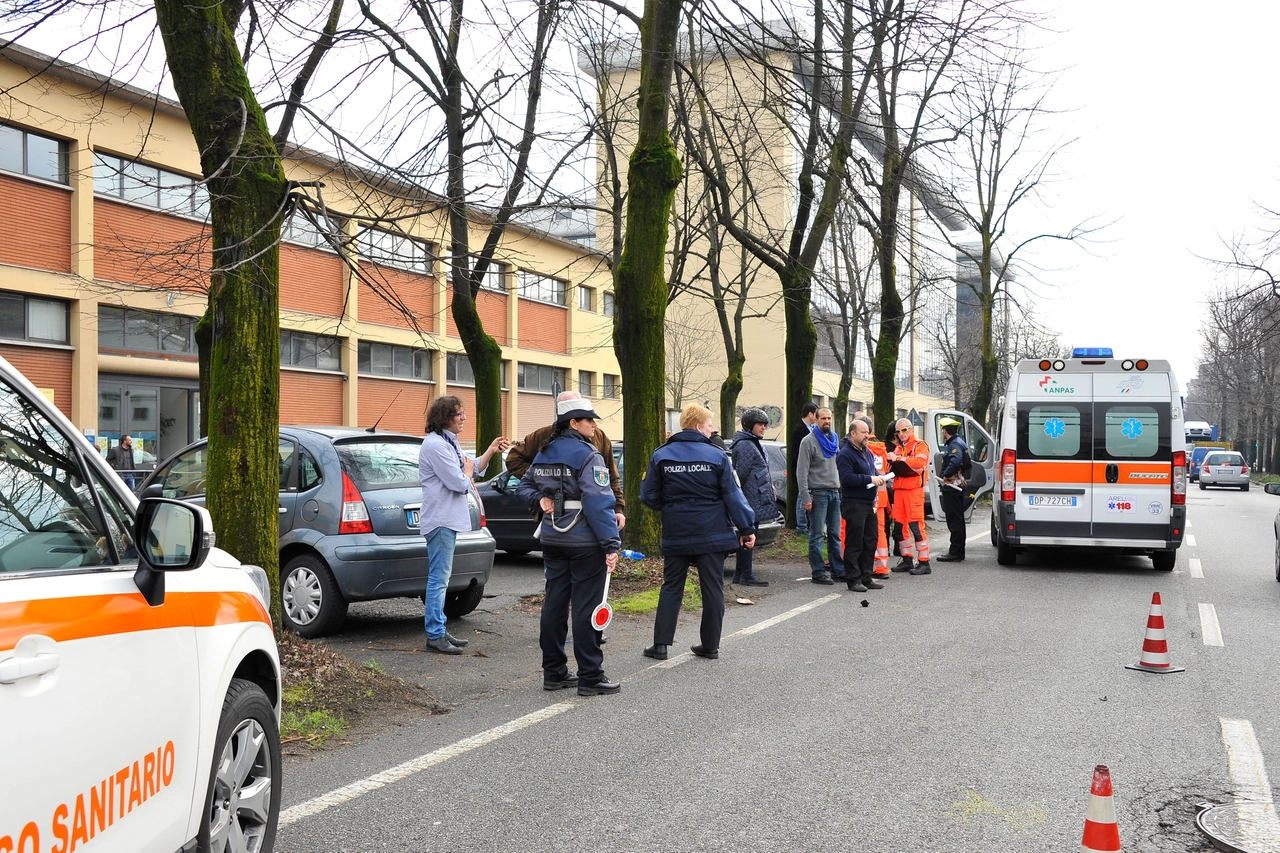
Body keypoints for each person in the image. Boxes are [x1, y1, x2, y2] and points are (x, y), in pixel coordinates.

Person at [515, 397, 622, 697]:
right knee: (587, 607)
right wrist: (611, 544)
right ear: (574, 423)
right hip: (585, 541)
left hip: (552, 538)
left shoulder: (544, 452)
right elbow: (599, 503)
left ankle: (554, 672)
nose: (593, 424)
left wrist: (540, 500)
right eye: (588, 420)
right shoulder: (589, 455)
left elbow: (522, 487)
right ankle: (590, 676)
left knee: (554, 604)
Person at [641, 404, 756, 661]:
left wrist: (672, 507)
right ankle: (710, 645)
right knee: (712, 588)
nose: (711, 430)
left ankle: (660, 645)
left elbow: (647, 496)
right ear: (697, 426)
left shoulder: (661, 455)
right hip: (712, 532)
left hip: (676, 531)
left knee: (671, 586)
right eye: (708, 426)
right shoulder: (716, 456)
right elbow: (732, 495)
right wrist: (747, 527)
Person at [418, 396, 508, 654]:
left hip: (448, 520)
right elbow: (459, 482)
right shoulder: (435, 446)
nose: (464, 418)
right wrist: (467, 474)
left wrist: (491, 449)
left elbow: (474, 467)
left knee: (442, 577)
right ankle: (434, 634)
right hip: (441, 520)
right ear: (445, 417)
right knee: (438, 579)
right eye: (459, 414)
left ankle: (439, 629)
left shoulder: (448, 442)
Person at [505, 390, 624, 531]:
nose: (593, 424)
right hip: (552, 514)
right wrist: (544, 479)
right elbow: (514, 461)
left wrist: (618, 508)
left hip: (588, 514)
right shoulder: (542, 436)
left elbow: (611, 476)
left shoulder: (599, 437)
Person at [836, 418, 888, 592]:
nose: (867, 435)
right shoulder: (845, 454)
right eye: (864, 432)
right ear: (853, 433)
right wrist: (870, 479)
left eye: (868, 432)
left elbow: (872, 471)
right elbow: (846, 478)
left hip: (868, 503)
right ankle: (853, 579)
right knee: (855, 542)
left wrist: (879, 477)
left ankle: (866, 577)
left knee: (870, 540)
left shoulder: (866, 451)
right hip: (854, 504)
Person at [730, 407, 777, 586]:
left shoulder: (750, 442)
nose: (763, 427)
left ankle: (740, 574)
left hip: (754, 496)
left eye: (765, 424)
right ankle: (746, 574)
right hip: (750, 498)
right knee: (748, 534)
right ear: (750, 425)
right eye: (760, 424)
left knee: (748, 533)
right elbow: (740, 475)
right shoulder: (745, 444)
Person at [796, 407, 843, 584]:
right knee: (816, 535)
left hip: (834, 492)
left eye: (829, 418)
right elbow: (801, 472)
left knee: (835, 534)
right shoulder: (808, 442)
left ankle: (838, 570)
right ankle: (818, 572)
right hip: (819, 493)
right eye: (823, 418)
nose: (827, 422)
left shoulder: (834, 440)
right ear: (815, 419)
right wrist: (805, 497)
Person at [887, 418, 932, 575]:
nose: (901, 434)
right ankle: (907, 560)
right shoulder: (899, 448)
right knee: (899, 529)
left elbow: (920, 462)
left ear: (911, 430)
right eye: (898, 432)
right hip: (899, 491)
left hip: (914, 492)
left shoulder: (920, 445)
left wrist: (898, 459)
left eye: (904, 430)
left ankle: (924, 562)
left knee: (916, 527)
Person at [936, 420, 970, 563]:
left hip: (952, 486)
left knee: (954, 520)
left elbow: (956, 462)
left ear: (945, 431)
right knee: (958, 519)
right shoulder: (959, 442)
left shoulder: (954, 445)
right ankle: (958, 551)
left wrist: (946, 475)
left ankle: (955, 552)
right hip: (957, 484)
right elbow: (967, 463)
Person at [863, 419, 893, 577]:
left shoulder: (864, 447)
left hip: (866, 495)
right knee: (880, 531)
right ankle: (882, 567)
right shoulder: (882, 448)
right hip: (881, 497)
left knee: (860, 530)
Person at [788, 402, 820, 531]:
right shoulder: (799, 430)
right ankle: (801, 526)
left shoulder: (811, 429)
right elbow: (797, 453)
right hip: (803, 470)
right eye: (816, 414)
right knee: (802, 496)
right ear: (810, 414)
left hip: (811, 471)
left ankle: (806, 525)